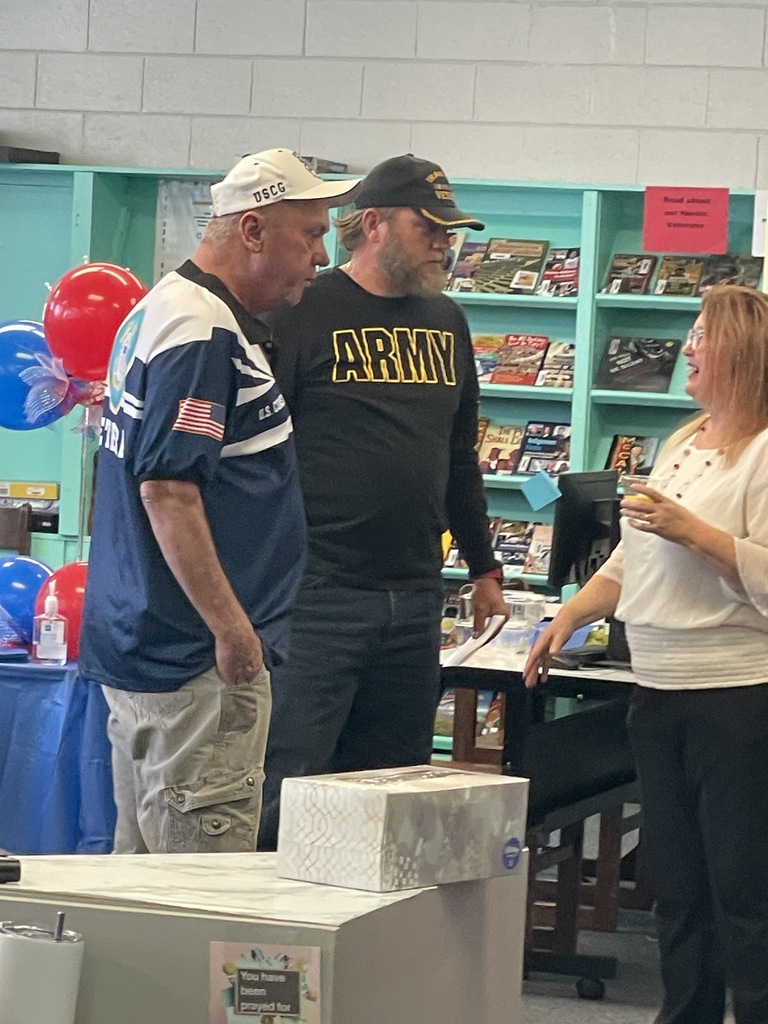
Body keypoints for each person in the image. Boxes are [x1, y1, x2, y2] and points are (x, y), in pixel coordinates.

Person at [79, 149, 361, 854]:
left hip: (151, 650)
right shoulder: (201, 332)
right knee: (196, 902)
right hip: (192, 664)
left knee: (144, 890)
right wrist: (234, 631)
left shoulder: (163, 311)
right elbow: (169, 490)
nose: (321, 257)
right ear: (255, 231)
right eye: (312, 233)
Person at [524, 284, 768, 1024]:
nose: (688, 348)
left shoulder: (763, 453)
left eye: (702, 335)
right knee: (679, 887)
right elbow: (632, 560)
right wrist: (565, 617)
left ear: (744, 355)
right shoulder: (685, 443)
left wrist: (690, 529)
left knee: (743, 890)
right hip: (656, 693)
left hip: (735, 696)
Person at [257, 154, 508, 850]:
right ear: (371, 224)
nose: (444, 241)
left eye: (449, 230)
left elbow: (460, 458)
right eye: (428, 227)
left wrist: (485, 569)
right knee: (291, 782)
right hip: (317, 593)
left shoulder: (447, 321)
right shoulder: (302, 313)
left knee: (390, 792)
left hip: (414, 595)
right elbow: (258, 454)